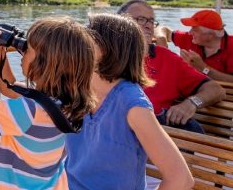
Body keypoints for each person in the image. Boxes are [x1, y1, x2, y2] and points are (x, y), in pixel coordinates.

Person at [0, 17, 96, 190]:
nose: (22, 50)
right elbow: (8, 86)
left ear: (45, 63)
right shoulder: (65, 101)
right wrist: (0, 47)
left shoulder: (29, 110)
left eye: (28, 49)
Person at [66, 13, 193, 190]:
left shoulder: (132, 104)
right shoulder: (78, 89)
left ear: (109, 48)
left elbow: (181, 178)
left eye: (88, 34)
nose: (79, 40)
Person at [118, 0, 225, 132]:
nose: (149, 26)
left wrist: (192, 102)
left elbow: (216, 89)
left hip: (155, 134)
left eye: (151, 21)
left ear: (212, 33)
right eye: (141, 19)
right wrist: (161, 37)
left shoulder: (167, 58)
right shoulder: (103, 55)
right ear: (119, 23)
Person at [155, 9, 233, 83]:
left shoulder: (231, 46)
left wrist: (203, 68)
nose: (190, 32)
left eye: (195, 30)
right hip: (191, 91)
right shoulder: (190, 39)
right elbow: (162, 29)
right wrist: (161, 40)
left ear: (211, 35)